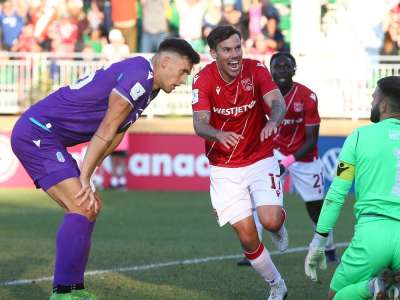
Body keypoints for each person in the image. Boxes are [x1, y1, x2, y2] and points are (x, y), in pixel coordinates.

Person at [11, 38, 200, 300]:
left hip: (48, 137)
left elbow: (116, 135)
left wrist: (92, 171)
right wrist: (85, 177)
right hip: (37, 133)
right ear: (165, 61)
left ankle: (73, 289)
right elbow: (107, 127)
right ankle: (63, 292)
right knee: (82, 205)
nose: (182, 80)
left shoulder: (149, 86)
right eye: (183, 71)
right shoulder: (139, 76)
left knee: (90, 207)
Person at [192, 25, 288, 300]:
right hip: (223, 167)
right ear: (213, 53)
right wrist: (218, 134)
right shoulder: (203, 80)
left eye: (237, 48)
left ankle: (279, 225)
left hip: (259, 156)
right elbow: (199, 124)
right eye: (226, 50)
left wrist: (273, 120)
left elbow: (277, 102)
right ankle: (277, 284)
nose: (234, 55)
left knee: (269, 221)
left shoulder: (256, 70)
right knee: (247, 236)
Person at [237, 52, 337, 267]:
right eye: (277, 67)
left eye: (286, 66)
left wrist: (287, 162)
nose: (281, 70)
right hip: (275, 152)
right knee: (261, 200)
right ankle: (252, 251)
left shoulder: (307, 97)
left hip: (304, 156)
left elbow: (311, 141)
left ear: (294, 70)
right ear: (270, 70)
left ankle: (328, 248)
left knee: (315, 210)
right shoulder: (263, 94)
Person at [304, 76, 400, 300]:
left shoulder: (358, 137)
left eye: (374, 97)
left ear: (383, 105)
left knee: (335, 296)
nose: (371, 102)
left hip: (372, 235)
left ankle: (371, 287)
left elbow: (336, 195)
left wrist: (318, 243)